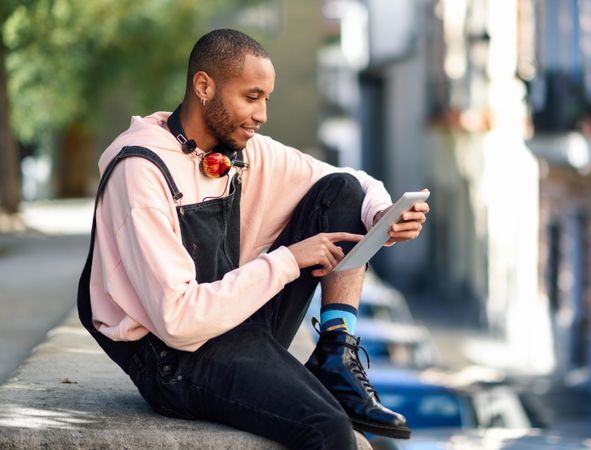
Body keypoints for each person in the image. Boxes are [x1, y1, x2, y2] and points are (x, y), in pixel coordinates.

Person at [77, 29, 429, 450]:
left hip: (233, 326)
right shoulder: (142, 170)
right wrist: (288, 260)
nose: (262, 114)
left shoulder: (243, 151)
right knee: (328, 428)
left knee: (342, 193)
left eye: (267, 99)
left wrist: (383, 216)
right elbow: (177, 322)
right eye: (251, 97)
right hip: (174, 358)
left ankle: (336, 355)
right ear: (204, 86)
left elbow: (356, 182)